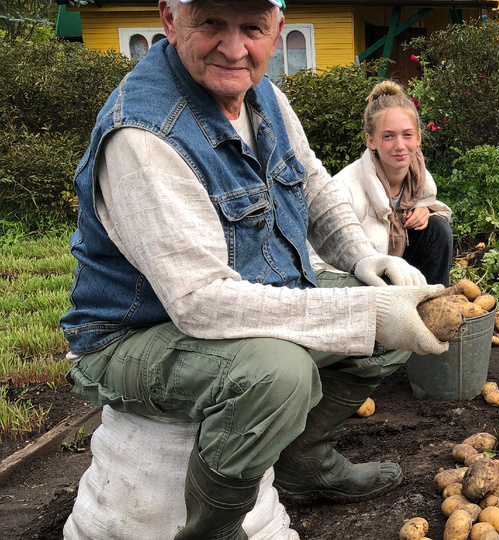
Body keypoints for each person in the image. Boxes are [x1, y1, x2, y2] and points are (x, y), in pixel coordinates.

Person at [58, 0, 449, 538]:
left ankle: (304, 464)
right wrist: (363, 311)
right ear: (170, 21)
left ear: (276, 29)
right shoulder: (143, 136)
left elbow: (313, 185)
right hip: (133, 334)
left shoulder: (260, 93)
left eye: (252, 28)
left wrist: (367, 260)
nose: (235, 47)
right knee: (277, 374)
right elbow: (200, 301)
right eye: (211, 23)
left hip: (234, 299)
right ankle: (212, 529)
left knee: (397, 320)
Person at [308, 81, 453, 286]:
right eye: (388, 136)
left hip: (396, 266)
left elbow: (435, 225)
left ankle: (435, 304)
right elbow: (319, 264)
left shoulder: (420, 178)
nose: (400, 145)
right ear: (371, 140)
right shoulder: (344, 188)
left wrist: (426, 209)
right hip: (355, 279)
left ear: (419, 137)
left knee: (437, 227)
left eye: (407, 134)